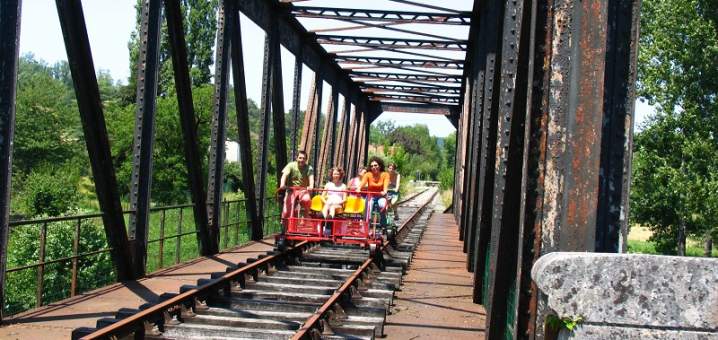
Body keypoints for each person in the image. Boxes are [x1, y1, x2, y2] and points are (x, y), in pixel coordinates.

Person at [279, 151, 314, 222]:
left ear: (306, 159)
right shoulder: (291, 165)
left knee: (306, 200)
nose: (302, 160)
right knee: (286, 212)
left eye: (304, 158)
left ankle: (305, 216)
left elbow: (311, 178)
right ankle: (285, 227)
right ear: (296, 158)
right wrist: (282, 184)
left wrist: (311, 186)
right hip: (291, 190)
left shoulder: (309, 168)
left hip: (303, 190)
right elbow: (284, 175)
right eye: (300, 158)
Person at [358, 156, 390, 226]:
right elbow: (362, 183)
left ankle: (383, 222)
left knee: (382, 205)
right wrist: (359, 188)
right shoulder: (368, 174)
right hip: (371, 196)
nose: (373, 167)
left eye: (375, 165)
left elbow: (385, 186)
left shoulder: (385, 175)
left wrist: (384, 191)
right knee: (369, 206)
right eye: (372, 166)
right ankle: (367, 224)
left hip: (381, 196)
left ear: (380, 166)